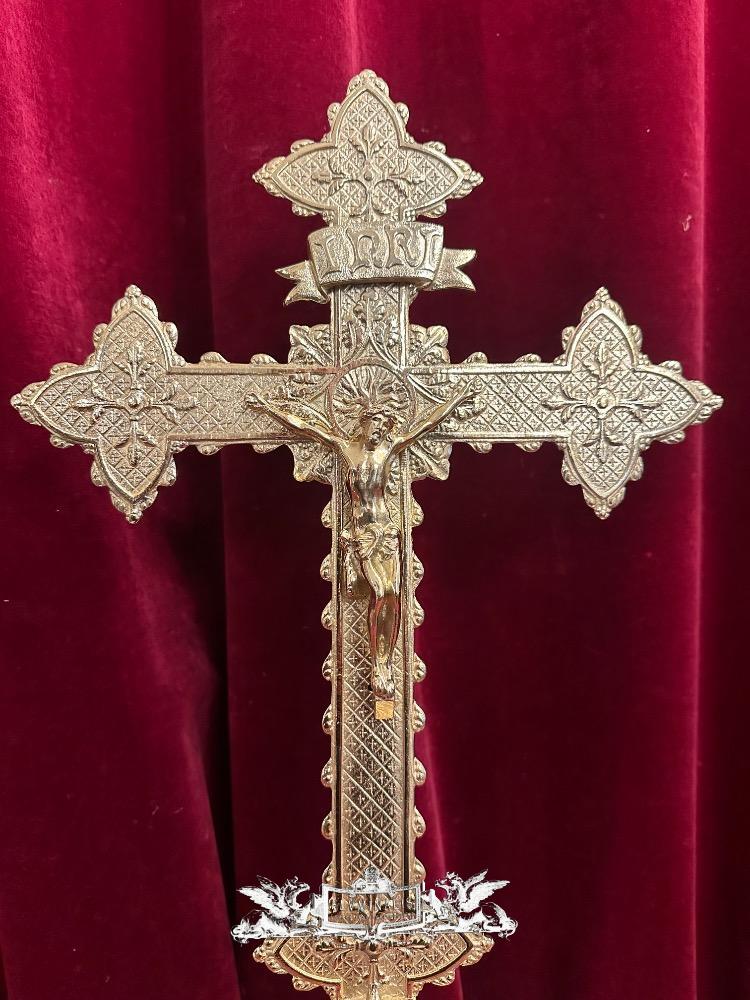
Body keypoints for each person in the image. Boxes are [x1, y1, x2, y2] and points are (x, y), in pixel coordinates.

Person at [246, 373, 479, 716]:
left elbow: (426, 424)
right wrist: (268, 407)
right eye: (373, 425)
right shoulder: (347, 448)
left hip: (386, 533)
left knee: (393, 593)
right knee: (382, 591)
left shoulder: (389, 449)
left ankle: (383, 663)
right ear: (363, 423)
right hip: (362, 536)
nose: (378, 431)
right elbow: (306, 427)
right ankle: (379, 666)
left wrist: (456, 400)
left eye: (382, 426)